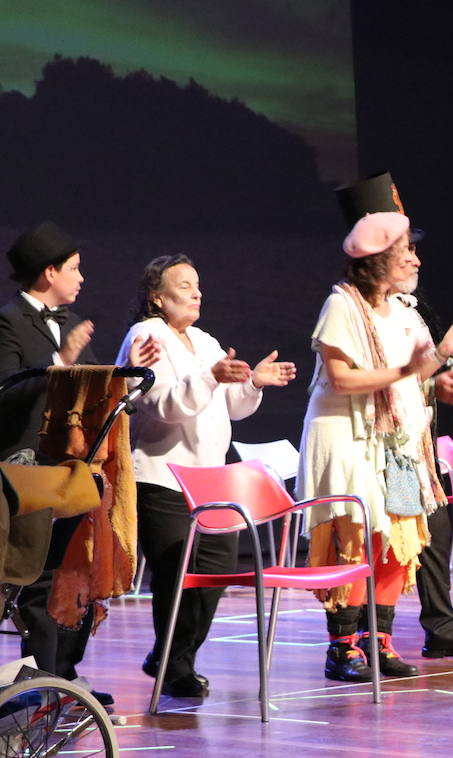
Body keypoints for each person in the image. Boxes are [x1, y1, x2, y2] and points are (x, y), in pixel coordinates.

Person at [298, 211, 453, 681]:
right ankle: (342, 647)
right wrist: (411, 371)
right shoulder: (341, 305)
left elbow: (420, 373)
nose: (415, 260)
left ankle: (377, 640)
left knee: (397, 540)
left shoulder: (405, 312)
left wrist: (449, 379)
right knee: (355, 538)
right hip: (347, 436)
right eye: (407, 252)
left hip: (398, 439)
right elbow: (342, 378)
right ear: (380, 260)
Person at [117, 254, 295, 697]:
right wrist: (212, 378)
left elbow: (232, 404)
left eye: (198, 284)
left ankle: (172, 656)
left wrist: (252, 382)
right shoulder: (146, 335)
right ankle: (175, 666)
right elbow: (160, 406)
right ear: (157, 297)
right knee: (177, 574)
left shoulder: (204, 340)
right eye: (184, 285)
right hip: (163, 477)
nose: (197, 292)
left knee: (215, 575)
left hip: (211, 482)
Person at [0, 220, 158, 703]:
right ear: (48, 272)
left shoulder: (69, 323)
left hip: (71, 470)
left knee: (72, 569)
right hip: (25, 470)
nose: (82, 278)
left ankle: (62, 674)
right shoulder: (8, 322)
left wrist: (125, 378)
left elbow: (89, 389)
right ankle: (43, 681)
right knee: (35, 577)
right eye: (74, 269)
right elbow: (7, 392)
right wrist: (61, 364)